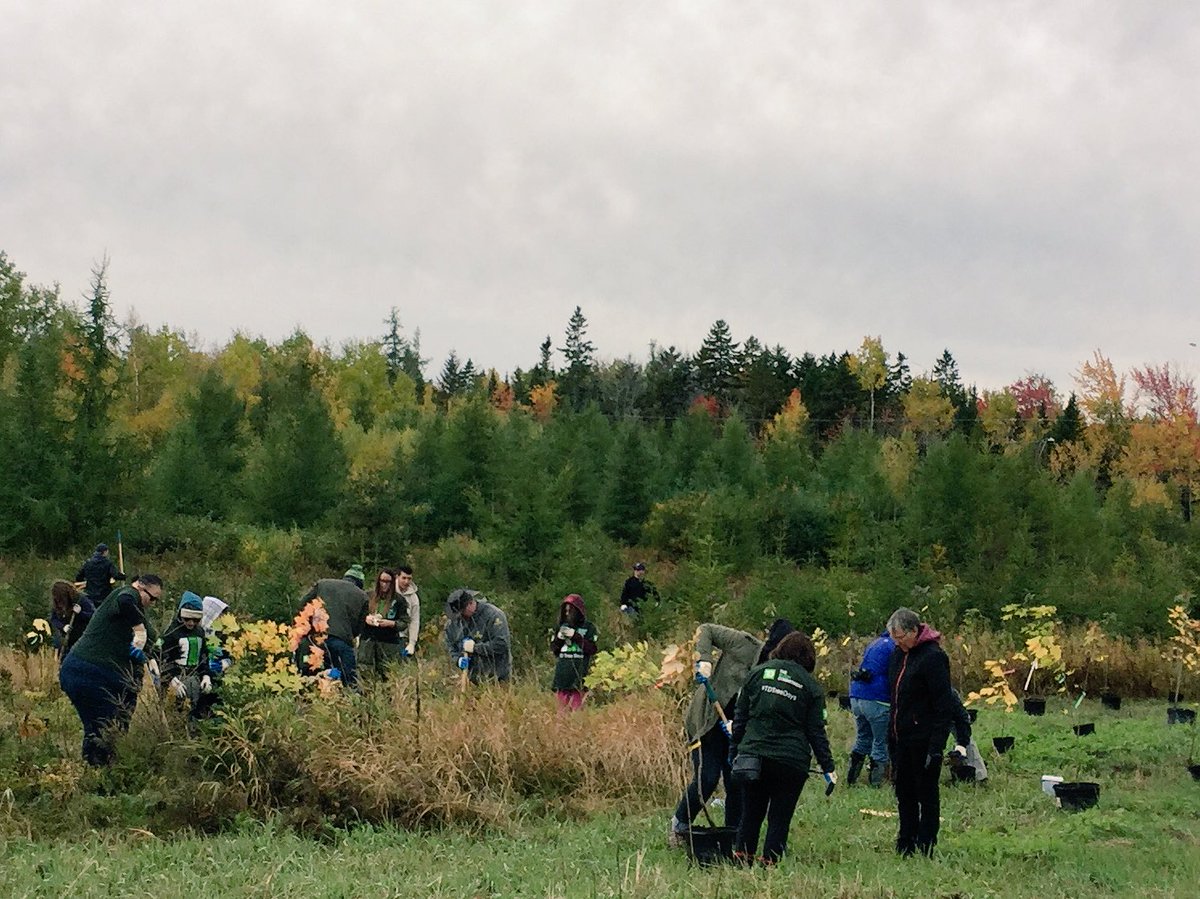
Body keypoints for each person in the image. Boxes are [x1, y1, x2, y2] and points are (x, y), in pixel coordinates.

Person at [668, 619, 794, 848]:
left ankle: (732, 835)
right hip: (707, 720)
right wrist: (704, 660)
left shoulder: (777, 673)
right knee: (707, 777)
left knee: (737, 781)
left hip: (737, 730)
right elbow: (706, 629)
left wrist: (740, 727)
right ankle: (679, 826)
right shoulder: (742, 644)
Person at [731, 631, 836, 865]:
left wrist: (735, 751)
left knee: (751, 812)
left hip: (753, 756)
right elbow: (816, 731)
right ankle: (770, 862)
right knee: (780, 816)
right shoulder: (812, 687)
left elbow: (740, 718)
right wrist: (828, 766)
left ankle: (742, 859)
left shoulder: (757, 674)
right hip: (791, 762)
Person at [58, 574, 164, 766]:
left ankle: (101, 772)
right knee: (104, 726)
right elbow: (126, 601)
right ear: (140, 586)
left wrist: (150, 657)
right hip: (89, 672)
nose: (153, 603)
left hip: (108, 678)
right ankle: (100, 775)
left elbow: (150, 643)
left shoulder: (137, 610)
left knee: (112, 725)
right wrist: (140, 631)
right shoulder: (126, 594)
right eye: (152, 598)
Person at [886, 607, 960, 858]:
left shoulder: (933, 657)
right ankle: (905, 840)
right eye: (894, 638)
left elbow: (943, 704)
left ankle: (926, 842)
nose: (898, 643)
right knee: (903, 792)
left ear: (914, 631)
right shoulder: (897, 655)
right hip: (900, 737)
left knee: (926, 793)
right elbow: (895, 698)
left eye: (901, 637)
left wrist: (936, 746)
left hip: (924, 739)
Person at [297, 565, 370, 689]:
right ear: (360, 583)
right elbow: (359, 627)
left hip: (316, 640)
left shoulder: (323, 584)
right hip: (342, 642)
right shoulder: (362, 596)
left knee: (312, 677)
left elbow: (303, 605)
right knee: (347, 681)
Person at [848, 628, 896, 787]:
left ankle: (851, 779)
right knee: (880, 742)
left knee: (863, 737)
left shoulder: (874, 643)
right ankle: (876, 784)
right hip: (878, 699)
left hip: (857, 695)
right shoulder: (894, 645)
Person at [157, 592, 214, 719]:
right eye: (187, 618)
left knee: (196, 715)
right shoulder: (171, 633)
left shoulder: (200, 632)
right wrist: (170, 679)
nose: (191, 623)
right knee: (175, 715)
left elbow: (203, 657)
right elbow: (161, 658)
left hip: (195, 680)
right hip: (176, 680)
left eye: (196, 620)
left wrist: (206, 676)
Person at [359, 566, 421, 678]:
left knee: (387, 674)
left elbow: (405, 622)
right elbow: (357, 616)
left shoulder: (399, 600)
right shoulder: (367, 596)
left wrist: (391, 623)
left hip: (389, 643)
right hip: (368, 642)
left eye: (388, 582)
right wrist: (366, 619)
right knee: (366, 673)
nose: (385, 584)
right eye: (382, 581)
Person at [444, 588, 511, 684]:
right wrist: (458, 659)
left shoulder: (494, 616)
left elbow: (502, 644)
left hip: (497, 678)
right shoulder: (453, 623)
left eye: (462, 612)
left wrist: (475, 648)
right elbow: (451, 645)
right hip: (471, 680)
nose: (460, 617)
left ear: (470, 603)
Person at [550, 593, 598, 711]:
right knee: (562, 713)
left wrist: (575, 636)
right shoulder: (561, 626)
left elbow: (592, 649)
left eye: (570, 611)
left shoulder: (588, 627)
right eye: (565, 611)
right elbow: (555, 651)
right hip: (563, 676)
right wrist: (559, 639)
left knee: (577, 712)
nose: (567, 614)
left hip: (579, 676)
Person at [72, 543, 126, 641]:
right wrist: (122, 575)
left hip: (89, 596)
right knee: (105, 618)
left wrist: (89, 580)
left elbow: (78, 577)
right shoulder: (107, 563)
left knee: (91, 618)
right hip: (104, 595)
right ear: (105, 552)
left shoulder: (87, 563)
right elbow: (115, 575)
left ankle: (89, 637)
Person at [48, 580, 80, 658]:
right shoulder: (57, 603)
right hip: (65, 638)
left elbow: (92, 616)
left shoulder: (81, 600)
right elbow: (53, 619)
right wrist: (63, 627)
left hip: (79, 639)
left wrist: (80, 612)